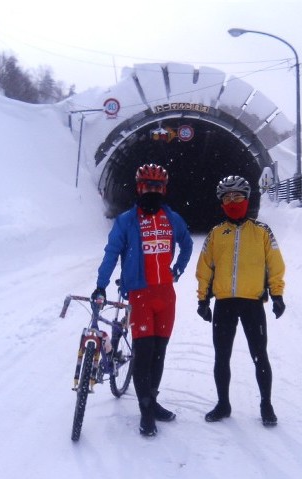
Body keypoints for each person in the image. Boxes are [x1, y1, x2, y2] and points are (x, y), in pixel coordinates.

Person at [92, 163, 193, 437]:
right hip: (140, 296)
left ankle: (153, 400)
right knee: (144, 354)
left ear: (164, 189)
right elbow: (111, 253)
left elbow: (188, 243)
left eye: (157, 187)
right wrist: (100, 286)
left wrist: (179, 268)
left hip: (165, 297)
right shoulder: (126, 221)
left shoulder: (172, 218)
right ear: (139, 188)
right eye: (148, 186)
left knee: (159, 355)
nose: (152, 191)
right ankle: (146, 411)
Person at [195, 175, 285, 426]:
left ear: (247, 199)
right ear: (221, 202)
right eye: (227, 198)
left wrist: (277, 294)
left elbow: (274, 265)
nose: (232, 201)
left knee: (260, 355)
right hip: (224, 304)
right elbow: (205, 268)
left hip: (252, 304)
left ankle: (266, 404)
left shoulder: (262, 231)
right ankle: (223, 404)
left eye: (237, 197)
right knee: (221, 357)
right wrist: (203, 300)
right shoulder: (215, 234)